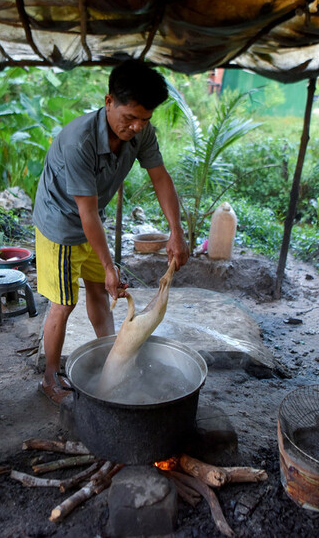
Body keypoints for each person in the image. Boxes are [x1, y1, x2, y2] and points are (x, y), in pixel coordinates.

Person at [33, 59, 190, 405]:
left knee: (102, 294)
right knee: (63, 302)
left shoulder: (141, 131)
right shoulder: (79, 142)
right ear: (108, 102)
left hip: (91, 222)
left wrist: (176, 231)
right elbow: (84, 212)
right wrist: (109, 265)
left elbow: (160, 177)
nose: (135, 127)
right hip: (61, 222)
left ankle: (114, 359)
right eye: (128, 118)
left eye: (143, 120)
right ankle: (49, 376)